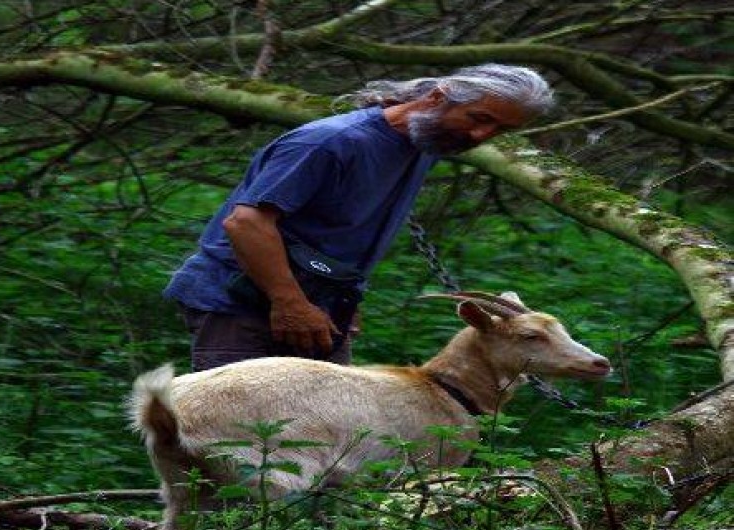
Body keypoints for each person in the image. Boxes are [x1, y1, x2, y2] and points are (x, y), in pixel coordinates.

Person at [164, 63, 554, 372]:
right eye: (478, 118)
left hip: (319, 307)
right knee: (238, 438)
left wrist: (342, 297)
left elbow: (337, 231)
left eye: (500, 130)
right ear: (438, 97)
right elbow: (246, 223)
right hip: (241, 303)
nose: (481, 135)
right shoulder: (332, 142)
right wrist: (292, 304)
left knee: (322, 436)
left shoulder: (425, 144)